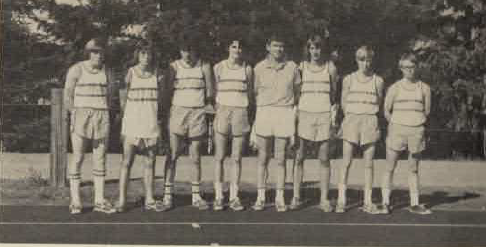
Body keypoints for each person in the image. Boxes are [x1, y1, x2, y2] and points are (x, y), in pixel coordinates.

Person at [64, 38, 117, 214]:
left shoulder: (108, 72)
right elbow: (68, 95)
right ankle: (75, 201)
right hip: (81, 116)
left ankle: (99, 201)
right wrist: (74, 114)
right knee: (78, 157)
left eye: (100, 52)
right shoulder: (76, 69)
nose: (98, 55)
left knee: (100, 158)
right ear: (88, 53)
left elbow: (111, 97)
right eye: (94, 51)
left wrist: (106, 112)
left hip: (101, 115)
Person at [162, 36, 214, 210]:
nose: (187, 54)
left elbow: (210, 92)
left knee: (195, 156)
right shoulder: (173, 67)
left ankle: (196, 196)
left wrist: (209, 108)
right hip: (178, 112)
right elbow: (167, 93)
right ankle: (167, 195)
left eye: (190, 50)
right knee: (173, 153)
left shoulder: (204, 66)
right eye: (184, 50)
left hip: (197, 113)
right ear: (180, 51)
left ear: (195, 50)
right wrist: (167, 114)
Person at [252, 32, 301, 212]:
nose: (278, 49)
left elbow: (297, 92)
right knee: (263, 157)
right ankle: (260, 197)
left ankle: (280, 197)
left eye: (281, 46)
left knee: (281, 158)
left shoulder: (292, 67)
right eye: (275, 45)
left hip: (284, 113)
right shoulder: (259, 68)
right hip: (265, 112)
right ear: (268, 47)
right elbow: (255, 93)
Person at [378, 53, 432, 214]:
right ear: (401, 68)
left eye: (413, 67)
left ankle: (414, 204)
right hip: (397, 130)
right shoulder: (394, 88)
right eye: (406, 67)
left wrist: (416, 123)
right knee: (390, 166)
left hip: (416, 131)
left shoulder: (425, 88)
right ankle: (385, 203)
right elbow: (386, 110)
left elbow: (427, 111)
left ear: (417, 67)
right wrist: (395, 124)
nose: (410, 70)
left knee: (413, 168)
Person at [290, 34, 338, 211]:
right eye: (311, 48)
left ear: (322, 49)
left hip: (323, 115)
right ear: (307, 50)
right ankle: (296, 196)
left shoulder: (330, 68)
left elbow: (333, 94)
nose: (315, 51)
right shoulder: (301, 67)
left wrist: (330, 114)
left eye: (317, 47)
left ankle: (324, 199)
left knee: (324, 158)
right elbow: (296, 93)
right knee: (299, 157)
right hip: (304, 115)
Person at [116, 42, 165, 212]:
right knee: (126, 162)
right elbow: (122, 98)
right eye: (143, 54)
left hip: (150, 123)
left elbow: (161, 100)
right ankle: (122, 199)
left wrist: (158, 121)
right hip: (132, 122)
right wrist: (124, 120)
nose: (146, 57)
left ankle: (149, 199)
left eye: (149, 54)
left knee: (150, 162)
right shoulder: (130, 72)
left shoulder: (157, 74)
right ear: (138, 55)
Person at [338, 46, 384, 214]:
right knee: (346, 161)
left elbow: (378, 102)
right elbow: (343, 102)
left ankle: (368, 201)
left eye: (368, 60)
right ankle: (341, 200)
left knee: (369, 164)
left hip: (369, 121)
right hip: (351, 120)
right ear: (357, 60)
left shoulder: (378, 81)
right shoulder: (348, 79)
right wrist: (352, 116)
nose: (365, 63)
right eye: (362, 59)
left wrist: (367, 115)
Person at [212, 37, 253, 211]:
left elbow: (250, 93)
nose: (237, 50)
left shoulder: (248, 69)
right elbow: (213, 91)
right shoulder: (218, 67)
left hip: (240, 112)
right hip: (223, 112)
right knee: (219, 156)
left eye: (240, 47)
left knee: (236, 157)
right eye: (233, 46)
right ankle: (219, 196)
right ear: (228, 48)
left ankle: (234, 196)